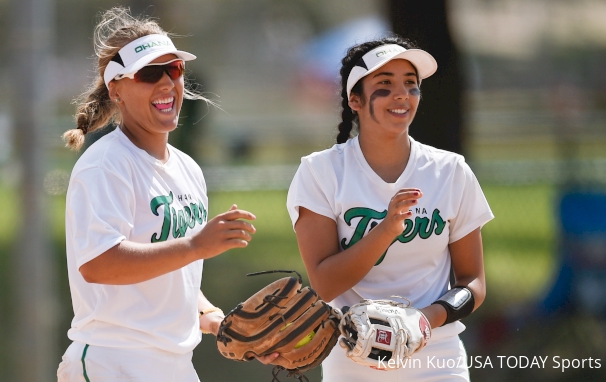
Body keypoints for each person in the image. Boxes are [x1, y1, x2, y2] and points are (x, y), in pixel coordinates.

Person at [56, 7, 273, 382]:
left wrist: (207, 314)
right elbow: (98, 263)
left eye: (174, 70)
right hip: (114, 361)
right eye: (149, 73)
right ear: (116, 89)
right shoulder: (106, 164)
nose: (167, 82)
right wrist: (196, 247)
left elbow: (173, 268)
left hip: (174, 364)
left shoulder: (187, 169)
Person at [286, 36, 494, 381]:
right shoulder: (320, 172)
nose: (402, 95)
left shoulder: (450, 170)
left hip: (437, 356)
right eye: (385, 84)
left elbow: (473, 283)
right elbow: (325, 285)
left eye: (410, 85)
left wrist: (423, 320)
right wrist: (384, 231)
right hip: (353, 357)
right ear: (355, 99)